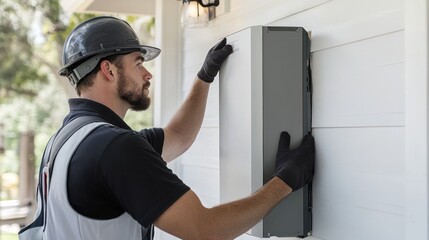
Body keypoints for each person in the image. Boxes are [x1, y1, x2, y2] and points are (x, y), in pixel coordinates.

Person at [23, 16, 315, 240]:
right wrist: (284, 182)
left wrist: (204, 78)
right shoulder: (115, 148)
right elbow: (204, 228)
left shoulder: (68, 139)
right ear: (108, 70)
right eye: (138, 63)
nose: (148, 74)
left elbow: (178, 137)